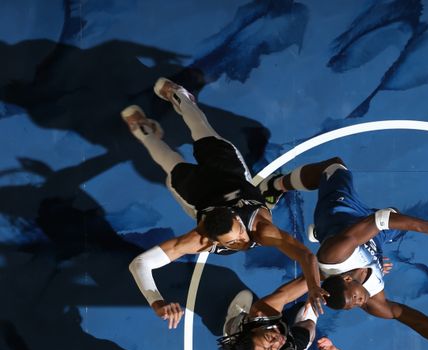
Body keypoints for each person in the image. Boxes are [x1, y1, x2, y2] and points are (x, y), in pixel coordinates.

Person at [121, 78, 326, 329]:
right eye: (231, 243)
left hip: (227, 170)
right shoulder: (200, 238)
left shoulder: (260, 229)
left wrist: (314, 286)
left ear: (239, 222)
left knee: (201, 130)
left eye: (238, 235)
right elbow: (139, 264)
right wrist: (156, 302)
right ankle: (144, 132)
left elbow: (305, 254)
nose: (241, 242)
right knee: (169, 163)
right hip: (198, 191)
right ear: (214, 241)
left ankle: (179, 96)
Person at [260, 156, 428, 350]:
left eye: (353, 298)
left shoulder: (335, 255)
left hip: (341, 214)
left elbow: (379, 220)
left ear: (345, 278)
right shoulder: (373, 301)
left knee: (335, 166)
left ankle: (276, 185)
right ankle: (326, 234)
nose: (359, 303)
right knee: (395, 214)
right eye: (353, 306)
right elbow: (416, 320)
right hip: (373, 239)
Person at [217, 276, 346, 350]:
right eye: (269, 349)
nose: (278, 342)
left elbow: (300, 284)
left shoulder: (261, 311)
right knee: (310, 328)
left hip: (259, 326)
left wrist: (321, 277)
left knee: (308, 324)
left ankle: (239, 324)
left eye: (269, 337)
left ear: (256, 330)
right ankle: (231, 327)